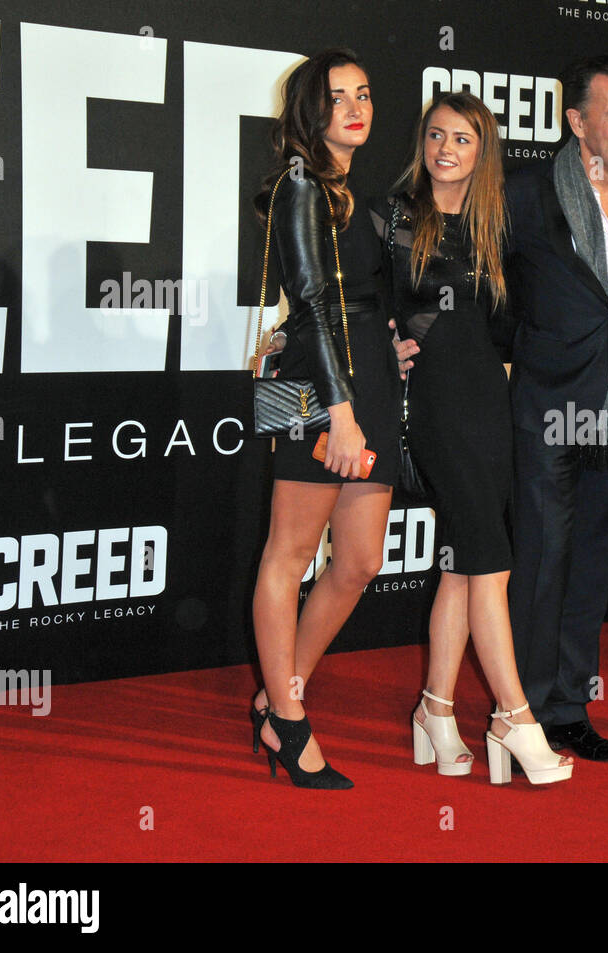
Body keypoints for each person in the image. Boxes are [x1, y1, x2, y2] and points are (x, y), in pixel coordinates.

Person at [373, 92, 572, 786]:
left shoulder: (496, 229)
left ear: (483, 150)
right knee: (490, 561)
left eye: (462, 138)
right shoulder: (393, 218)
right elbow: (360, 309)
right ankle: (514, 717)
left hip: (491, 407)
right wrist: (383, 344)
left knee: (462, 562)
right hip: (433, 409)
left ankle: (435, 706)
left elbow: (507, 330)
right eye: (435, 134)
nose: (446, 148)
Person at [505, 56, 608, 762]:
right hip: (548, 401)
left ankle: (571, 705)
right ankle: (524, 707)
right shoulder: (525, 194)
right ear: (576, 121)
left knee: (595, 560)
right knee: (542, 560)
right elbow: (487, 282)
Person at [248, 48, 401, 789]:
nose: (354, 107)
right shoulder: (301, 186)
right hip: (323, 393)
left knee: (361, 560)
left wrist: (389, 349)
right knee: (290, 553)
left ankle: (281, 696)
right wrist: (341, 411)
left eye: (363, 93)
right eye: (337, 96)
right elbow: (309, 306)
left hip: (366, 378)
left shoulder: (344, 188)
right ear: (310, 110)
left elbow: (353, 297)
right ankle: (290, 722)